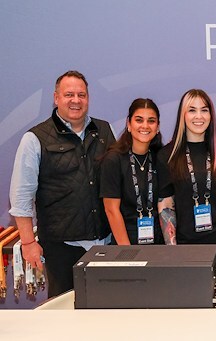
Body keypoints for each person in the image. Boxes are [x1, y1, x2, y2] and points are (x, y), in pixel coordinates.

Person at [9, 70, 116, 298]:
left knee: (108, 313)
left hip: (106, 243)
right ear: (56, 98)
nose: (76, 101)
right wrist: (28, 243)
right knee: (65, 319)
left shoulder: (105, 131)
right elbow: (21, 197)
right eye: (69, 94)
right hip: (62, 248)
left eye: (81, 95)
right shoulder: (35, 139)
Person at [156, 89, 216, 299]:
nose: (199, 116)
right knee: (194, 305)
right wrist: (173, 250)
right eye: (192, 110)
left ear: (211, 114)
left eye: (204, 110)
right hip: (188, 244)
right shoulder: (168, 155)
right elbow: (165, 205)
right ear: (182, 116)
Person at [100, 98, 164, 245]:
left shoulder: (161, 158)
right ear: (129, 124)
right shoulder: (113, 159)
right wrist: (127, 252)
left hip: (159, 246)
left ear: (158, 127)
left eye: (151, 121)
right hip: (126, 243)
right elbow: (111, 210)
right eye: (139, 120)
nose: (145, 126)